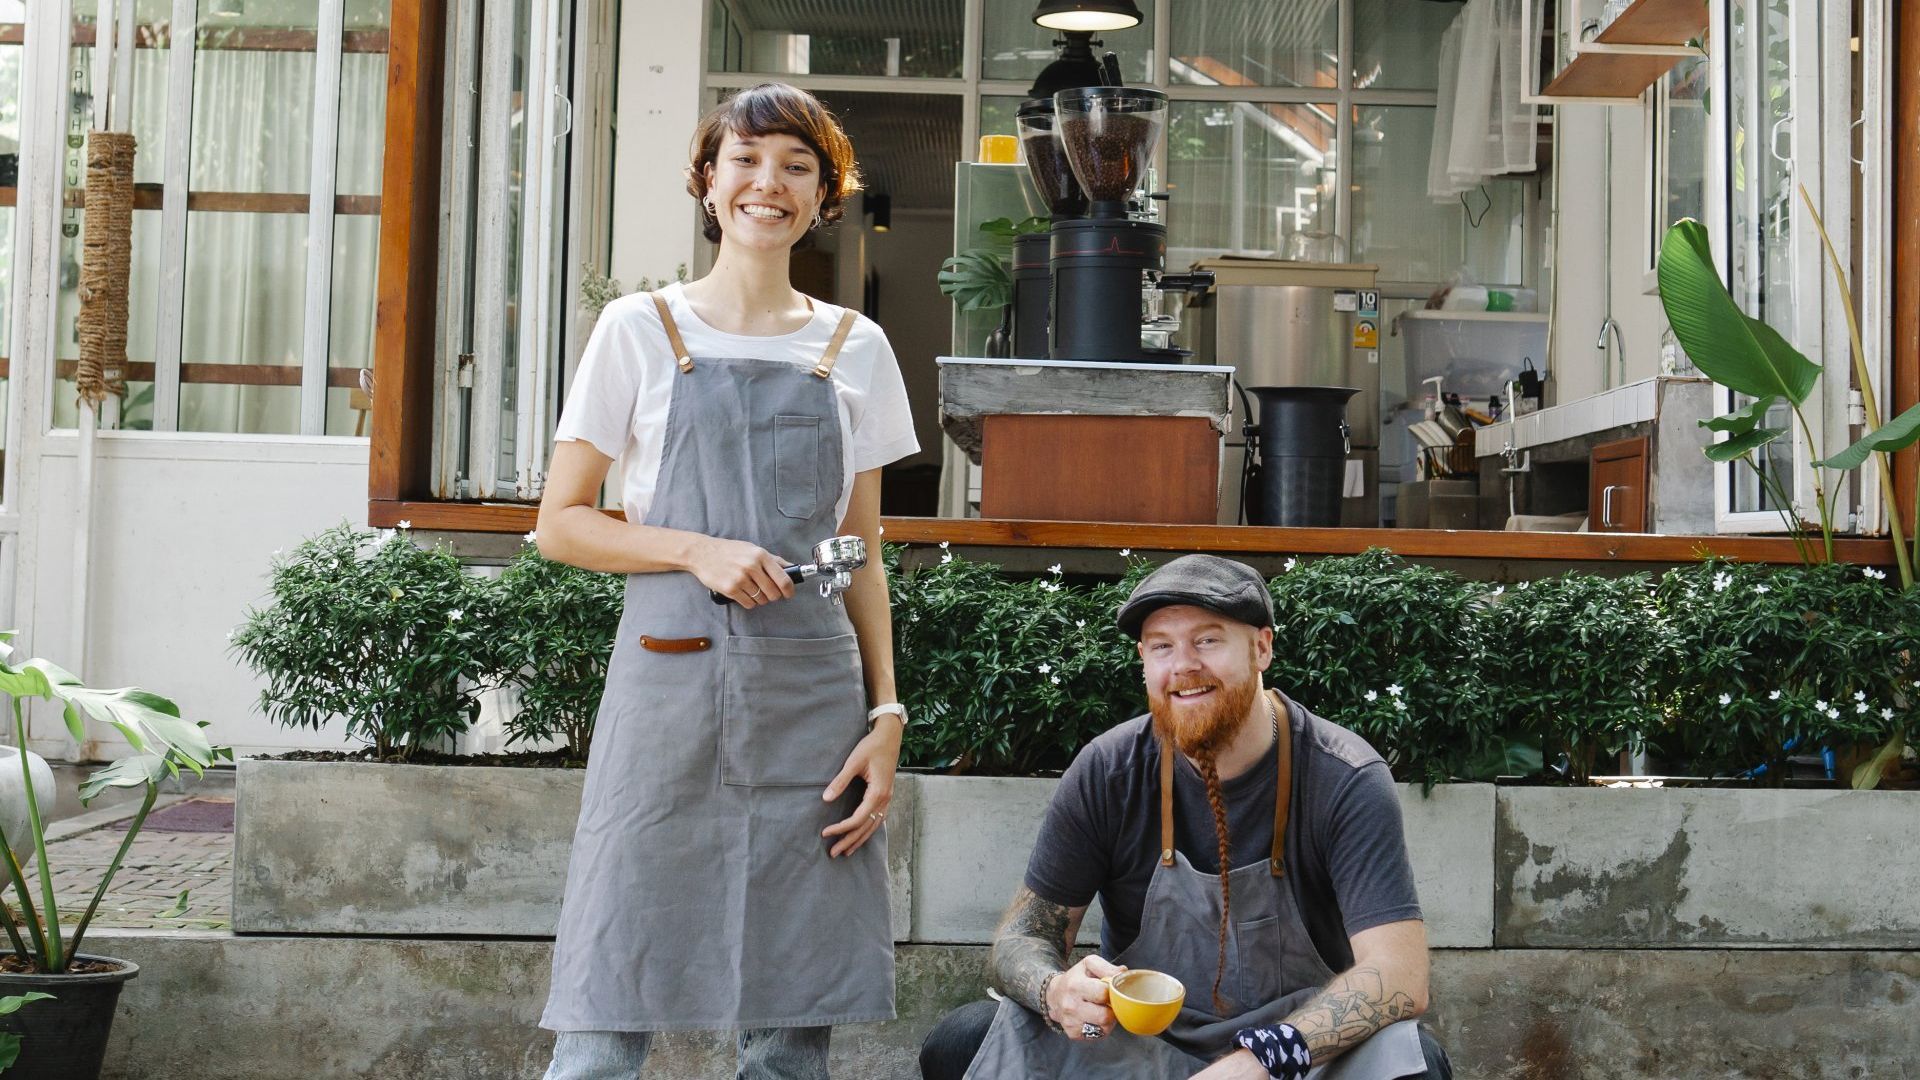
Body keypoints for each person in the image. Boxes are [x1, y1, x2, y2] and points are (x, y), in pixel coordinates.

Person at [535, 82, 920, 1080]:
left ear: (825, 194)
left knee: (793, 1007)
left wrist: (887, 713)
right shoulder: (639, 328)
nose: (769, 184)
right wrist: (693, 548)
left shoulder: (856, 348)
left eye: (797, 166)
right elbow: (561, 525)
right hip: (670, 688)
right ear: (708, 182)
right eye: (746, 160)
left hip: (811, 692)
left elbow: (861, 548)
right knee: (608, 1000)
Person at [920, 555, 1452, 1080]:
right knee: (965, 1039)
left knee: (1415, 1062)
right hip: (1141, 1055)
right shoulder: (1108, 770)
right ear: (1143, 660)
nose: (1183, 666)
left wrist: (1259, 1062)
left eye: (1207, 640)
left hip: (1294, 1058)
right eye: (1162, 647)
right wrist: (1054, 990)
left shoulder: (1344, 776)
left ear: (1261, 647)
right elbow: (1022, 937)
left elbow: (1400, 975)